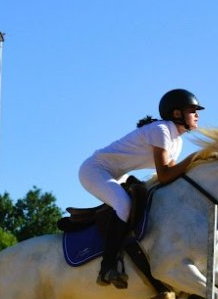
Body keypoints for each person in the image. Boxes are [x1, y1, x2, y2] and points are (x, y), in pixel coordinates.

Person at [79, 89, 204, 288]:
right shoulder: (161, 129)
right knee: (124, 204)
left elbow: (170, 174)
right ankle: (107, 267)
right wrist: (194, 159)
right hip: (96, 169)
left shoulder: (176, 141)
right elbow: (164, 175)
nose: (197, 115)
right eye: (193, 110)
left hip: (119, 174)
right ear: (177, 113)